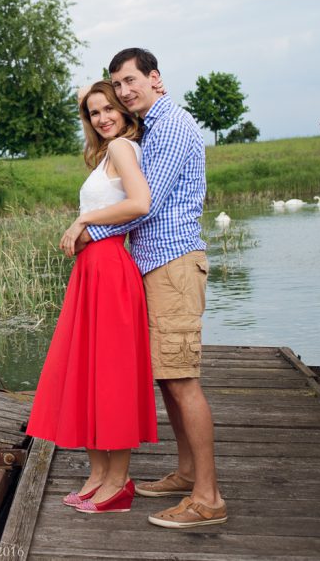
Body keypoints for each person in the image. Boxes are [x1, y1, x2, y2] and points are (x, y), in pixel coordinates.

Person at [78, 47, 227, 528]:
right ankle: (187, 473)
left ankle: (208, 498)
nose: (124, 92)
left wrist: (87, 229)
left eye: (130, 81)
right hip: (151, 266)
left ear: (154, 78)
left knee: (182, 380)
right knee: (166, 375)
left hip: (174, 264)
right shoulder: (150, 128)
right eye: (117, 84)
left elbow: (147, 203)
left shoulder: (173, 125)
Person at [25, 80, 158, 514]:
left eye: (109, 108)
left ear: (124, 109)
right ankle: (98, 476)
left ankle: (118, 483)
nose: (102, 118)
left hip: (110, 269)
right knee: (88, 372)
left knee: (111, 375)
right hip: (92, 270)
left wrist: (83, 221)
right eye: (93, 112)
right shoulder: (105, 154)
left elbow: (140, 203)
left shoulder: (122, 148)